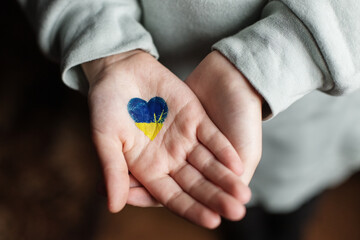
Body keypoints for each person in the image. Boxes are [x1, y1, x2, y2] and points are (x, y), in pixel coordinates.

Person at [18, 0, 360, 238]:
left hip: (311, 119)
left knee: (295, 199)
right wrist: (110, 53)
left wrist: (265, 64)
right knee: (234, 207)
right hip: (169, 91)